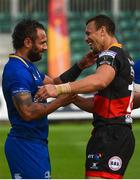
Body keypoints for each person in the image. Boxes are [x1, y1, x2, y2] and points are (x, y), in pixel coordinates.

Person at [35, 15, 135, 179]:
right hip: (118, 134)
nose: (86, 38)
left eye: (89, 33)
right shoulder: (124, 55)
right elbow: (102, 104)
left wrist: (59, 89)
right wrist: (75, 98)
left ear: (102, 31)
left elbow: (100, 81)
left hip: (110, 134)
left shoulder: (109, 54)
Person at [2, 19, 97, 179]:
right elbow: (28, 112)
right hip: (25, 144)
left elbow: (54, 83)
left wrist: (80, 65)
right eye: (42, 43)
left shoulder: (27, 66)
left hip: (35, 143)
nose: (45, 48)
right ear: (27, 42)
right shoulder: (17, 71)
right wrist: (62, 101)